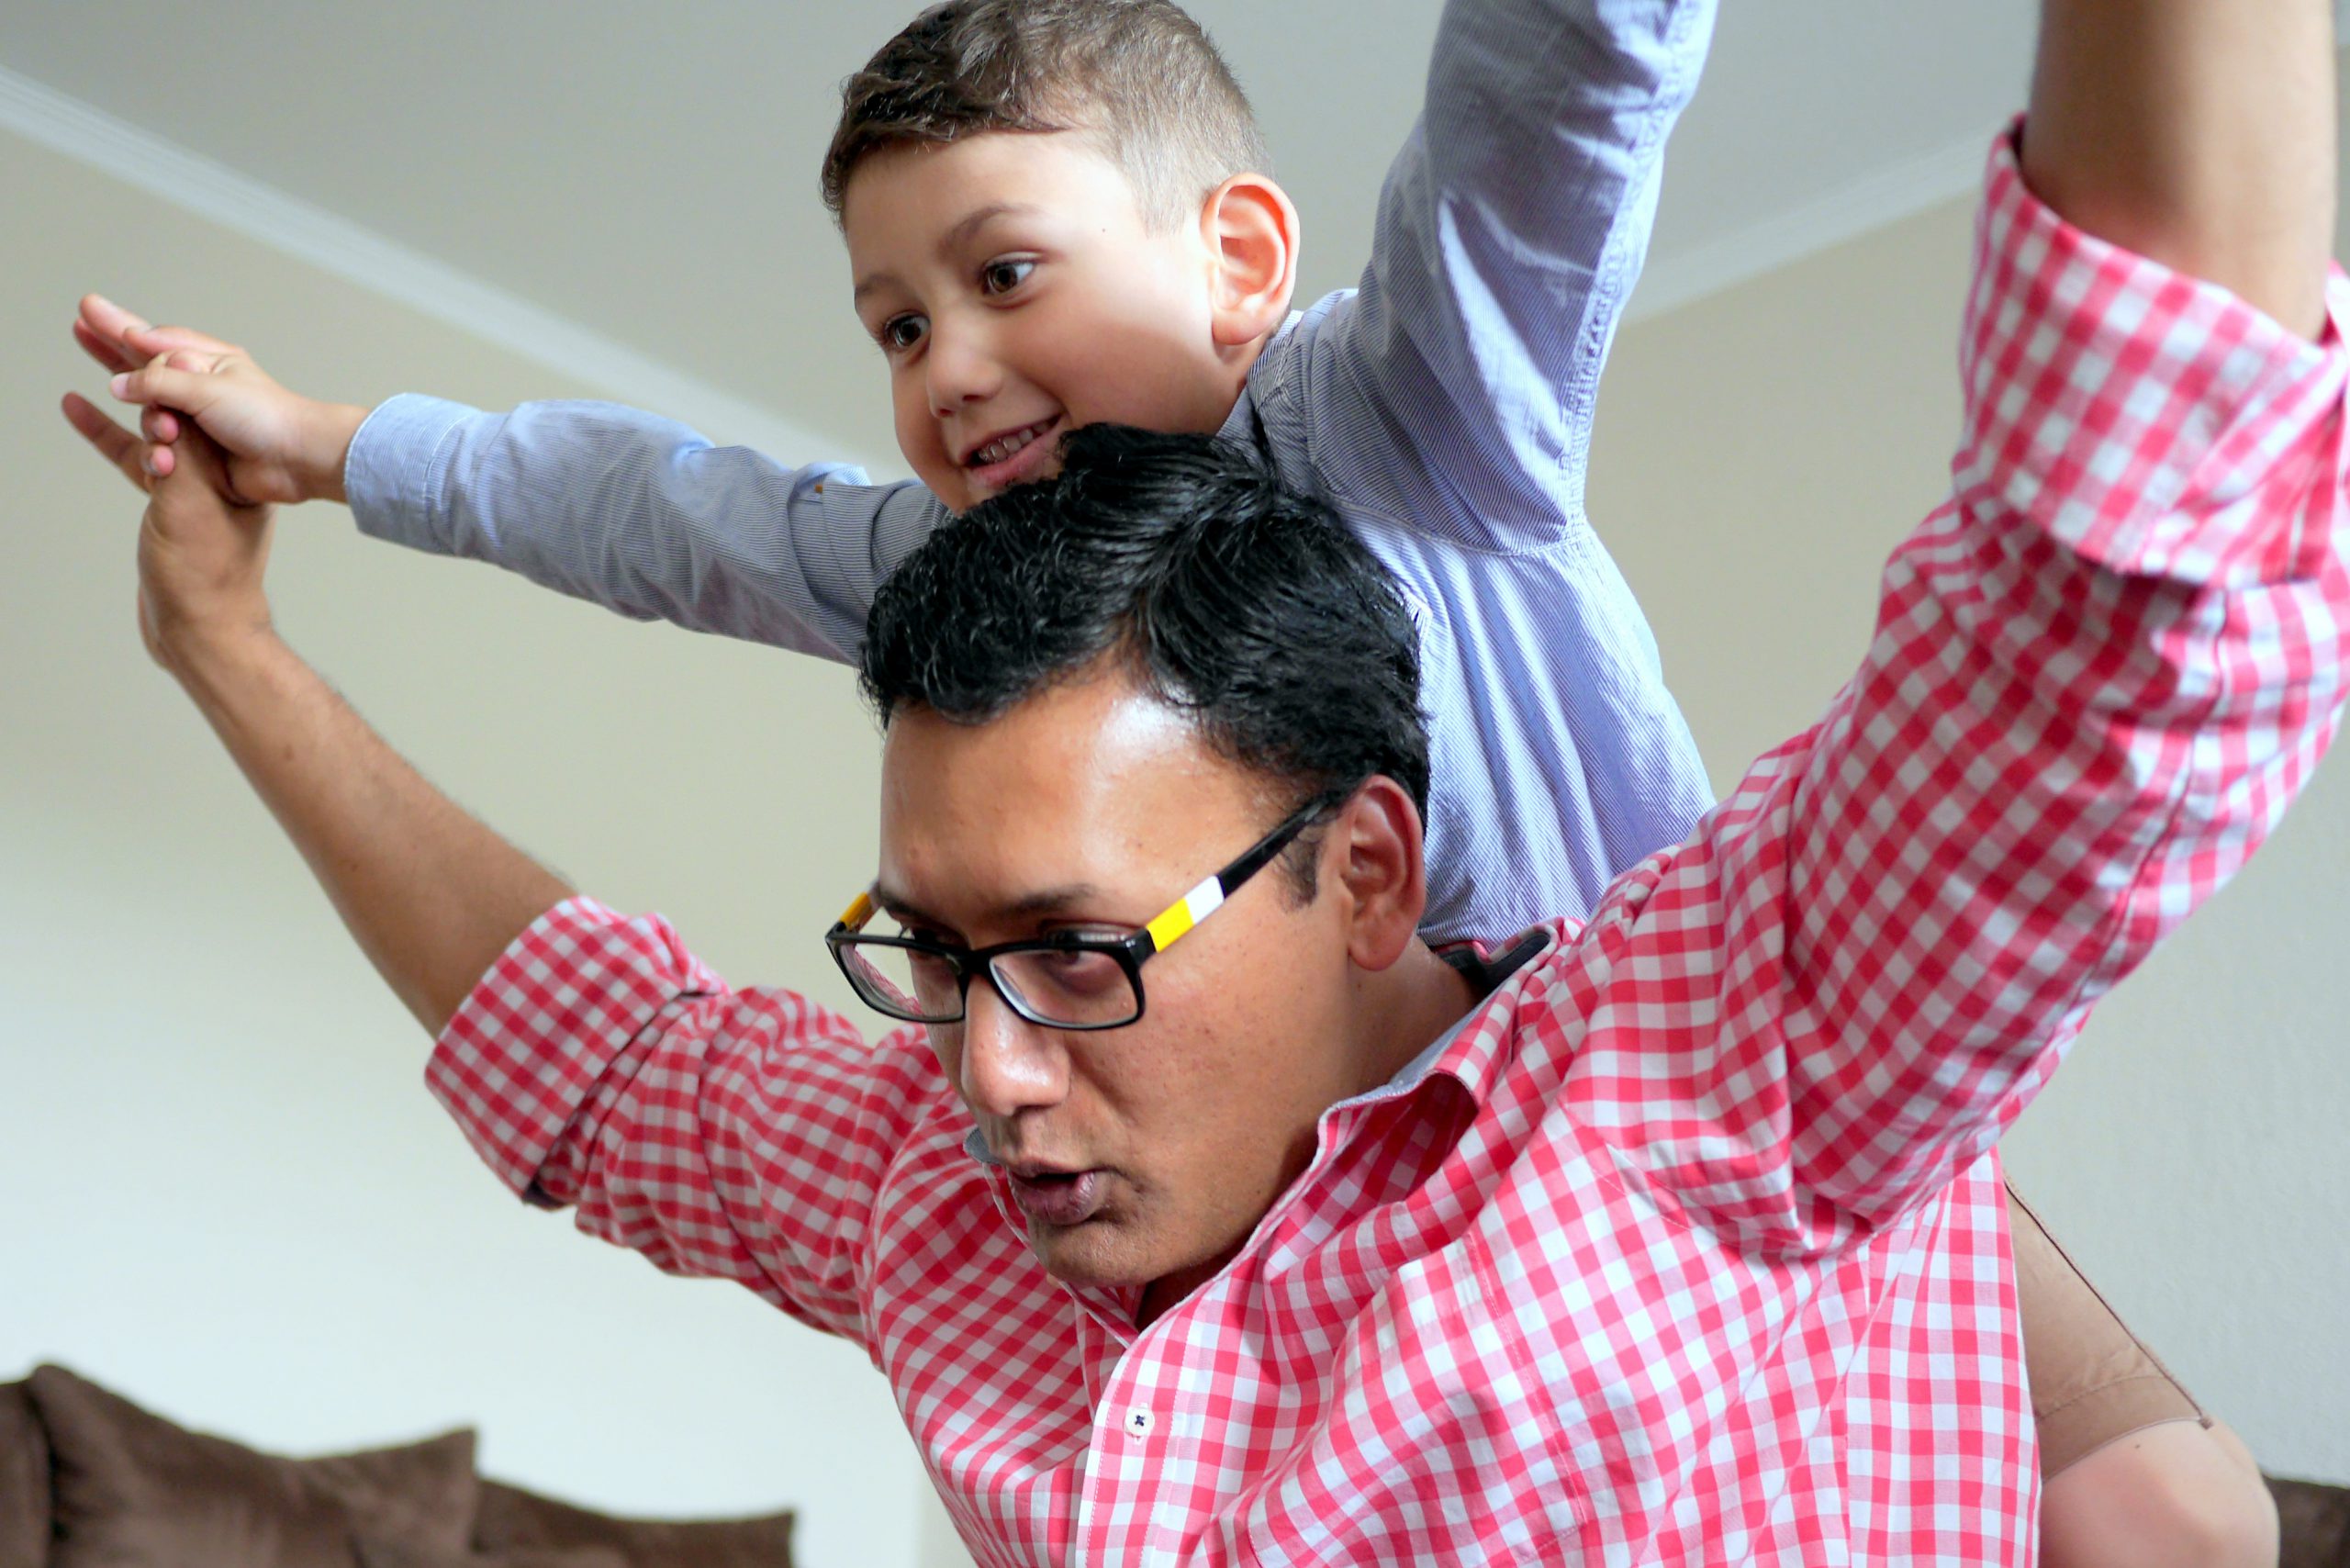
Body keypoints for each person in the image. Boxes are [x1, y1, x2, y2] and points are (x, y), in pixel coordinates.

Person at [93, 0, 2344, 1550]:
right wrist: (279, 541)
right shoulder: (945, 647)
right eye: (898, 327)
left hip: (1720, 1063)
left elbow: (1557, 114)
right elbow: (623, 930)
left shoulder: (1427, 440)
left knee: (2168, 1504)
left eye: (1074, 948)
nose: (985, 1075)